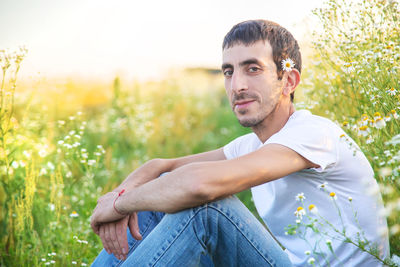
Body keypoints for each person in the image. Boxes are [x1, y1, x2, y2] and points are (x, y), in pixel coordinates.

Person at [90, 20, 389, 266]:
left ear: (289, 81)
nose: (237, 86)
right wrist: (118, 197)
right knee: (162, 192)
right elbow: (162, 169)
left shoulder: (314, 134)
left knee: (206, 210)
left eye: (253, 69)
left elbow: (198, 186)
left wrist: (120, 204)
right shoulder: (250, 145)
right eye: (228, 72)